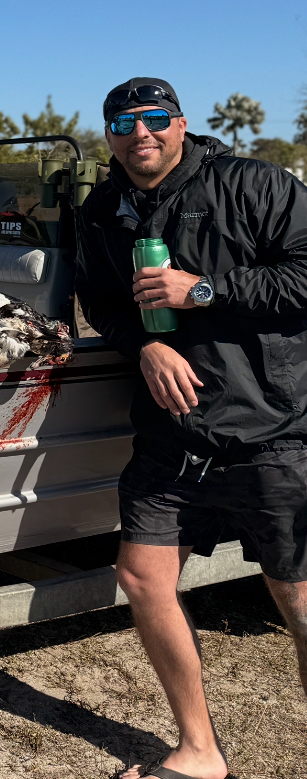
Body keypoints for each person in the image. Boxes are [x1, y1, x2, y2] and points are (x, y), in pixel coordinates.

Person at [75, 77, 307, 779]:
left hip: (270, 426)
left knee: (296, 596)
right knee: (143, 576)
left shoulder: (255, 186)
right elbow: (103, 301)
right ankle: (200, 749)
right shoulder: (104, 208)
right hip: (173, 434)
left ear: (180, 124)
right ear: (109, 133)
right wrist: (141, 343)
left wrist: (200, 289)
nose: (139, 132)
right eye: (123, 121)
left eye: (154, 118)